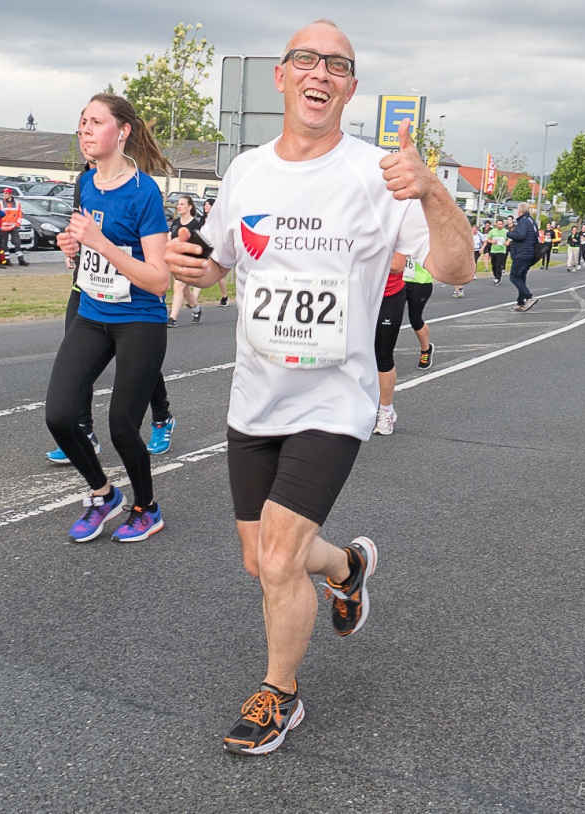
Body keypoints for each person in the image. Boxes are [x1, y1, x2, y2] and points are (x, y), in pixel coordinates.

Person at [166, 19, 473, 756]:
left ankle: (281, 695)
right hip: (256, 398)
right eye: (307, 59)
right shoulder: (246, 172)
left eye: (338, 64)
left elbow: (457, 270)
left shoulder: (380, 174)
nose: (321, 72)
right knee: (262, 559)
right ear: (282, 75)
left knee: (276, 558)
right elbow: (220, 262)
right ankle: (348, 567)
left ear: (351, 88)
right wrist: (192, 263)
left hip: (335, 401)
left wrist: (432, 193)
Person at [46, 93, 172, 543]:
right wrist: (73, 249)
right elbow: (85, 246)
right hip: (92, 312)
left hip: (140, 319)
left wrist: (101, 244)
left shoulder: (145, 194)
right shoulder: (85, 184)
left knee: (122, 424)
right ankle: (103, 494)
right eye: (82, 121)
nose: (84, 130)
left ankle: (146, 507)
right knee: (60, 416)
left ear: (122, 132)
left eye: (95, 122)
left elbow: (159, 280)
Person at [43, 155, 176, 465]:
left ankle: (161, 416)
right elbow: (80, 225)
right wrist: (71, 243)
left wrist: (105, 245)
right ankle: (83, 430)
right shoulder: (85, 182)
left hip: (132, 298)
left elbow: (150, 253)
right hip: (87, 289)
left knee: (139, 366)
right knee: (76, 365)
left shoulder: (138, 188)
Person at [371, 253, 407, 435]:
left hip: (389, 296)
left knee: (382, 356)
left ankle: (386, 411)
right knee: (348, 354)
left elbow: (397, 265)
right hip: (359, 296)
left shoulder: (394, 226)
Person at [166, 195, 203, 326]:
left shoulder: (196, 225)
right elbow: (169, 239)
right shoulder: (175, 223)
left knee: (179, 286)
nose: (179, 206)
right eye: (178, 204)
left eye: (182, 204)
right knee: (185, 290)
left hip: (189, 261)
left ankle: (172, 318)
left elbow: (201, 245)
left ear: (190, 207)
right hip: (176, 260)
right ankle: (197, 309)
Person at [506, 203, 539, 311]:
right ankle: (520, 302)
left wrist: (510, 233)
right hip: (529, 253)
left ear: (520, 211)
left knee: (514, 277)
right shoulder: (532, 221)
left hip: (521, 253)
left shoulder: (523, 221)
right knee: (521, 277)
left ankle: (529, 297)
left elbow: (521, 235)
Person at [205, 198, 230, 306]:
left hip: (215, 247)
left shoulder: (217, 219)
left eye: (208, 205)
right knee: (202, 269)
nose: (206, 206)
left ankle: (224, 296)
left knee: (219, 276)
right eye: (205, 204)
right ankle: (194, 300)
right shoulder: (202, 219)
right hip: (204, 247)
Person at [1, 188, 28, 266]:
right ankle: (7, 260)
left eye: (6, 193)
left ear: (10, 194)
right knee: (4, 244)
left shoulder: (17, 204)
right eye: (4, 193)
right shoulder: (0, 203)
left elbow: (20, 215)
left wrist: (17, 225)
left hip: (13, 227)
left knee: (17, 243)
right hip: (4, 227)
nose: (4, 195)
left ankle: (21, 260)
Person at [453, 224, 481, 298]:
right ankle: (456, 290)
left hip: (463, 256)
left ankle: (460, 289)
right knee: (454, 274)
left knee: (460, 273)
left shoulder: (467, 237)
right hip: (455, 256)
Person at [487, 217, 508, 285]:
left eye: (501, 224)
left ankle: (497, 278)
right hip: (493, 250)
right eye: (498, 224)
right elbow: (488, 239)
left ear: (503, 225)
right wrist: (492, 241)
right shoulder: (492, 231)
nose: (499, 225)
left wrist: (507, 242)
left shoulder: (506, 231)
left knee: (498, 265)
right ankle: (495, 275)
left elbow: (509, 239)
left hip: (501, 250)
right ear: (496, 224)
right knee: (493, 265)